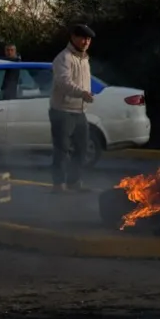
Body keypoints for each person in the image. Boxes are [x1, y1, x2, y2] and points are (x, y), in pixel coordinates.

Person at [49, 24, 95, 194]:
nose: (86, 42)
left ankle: (74, 182)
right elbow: (64, 82)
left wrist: (85, 95)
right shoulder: (64, 58)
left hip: (79, 111)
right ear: (73, 37)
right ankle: (58, 185)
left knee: (82, 148)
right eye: (83, 38)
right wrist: (82, 93)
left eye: (89, 39)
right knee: (62, 149)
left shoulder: (84, 58)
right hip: (62, 110)